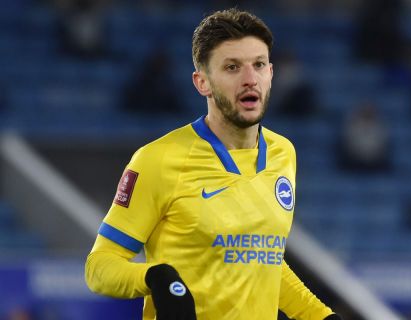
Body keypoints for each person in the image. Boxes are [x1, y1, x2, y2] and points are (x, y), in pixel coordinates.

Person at [85, 8, 342, 320]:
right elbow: (99, 267)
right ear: (202, 82)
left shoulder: (283, 152)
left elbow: (264, 262)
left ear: (271, 73)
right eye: (232, 67)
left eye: (259, 65)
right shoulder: (158, 160)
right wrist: (154, 277)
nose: (250, 79)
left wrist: (321, 316)